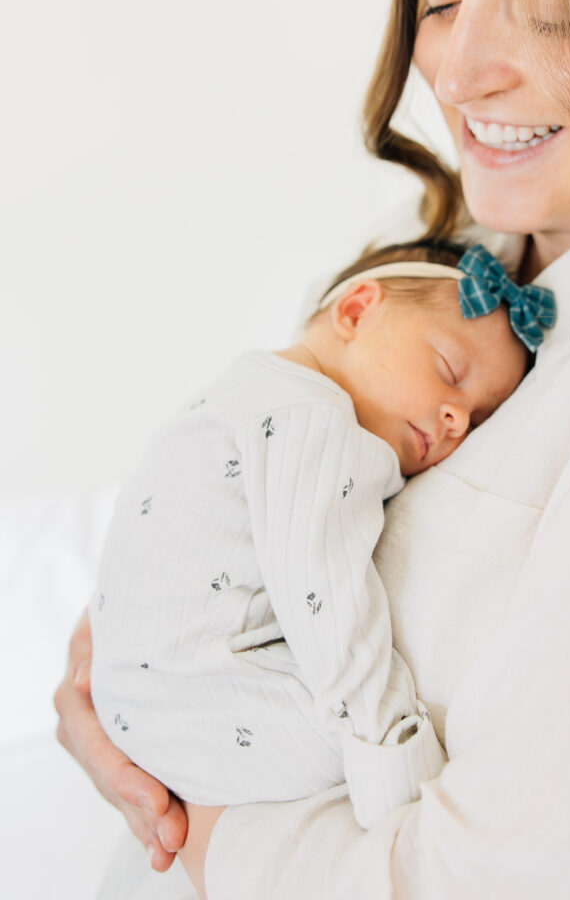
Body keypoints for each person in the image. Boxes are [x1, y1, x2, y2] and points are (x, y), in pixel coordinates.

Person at [54, 0, 570, 896]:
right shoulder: (431, 275)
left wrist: (196, 819)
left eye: (545, 5)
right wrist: (113, 674)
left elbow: (504, 879)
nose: (458, 72)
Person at [89, 237, 539, 855]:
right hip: (204, 694)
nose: (458, 417)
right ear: (356, 311)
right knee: (483, 739)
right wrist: (394, 757)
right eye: (449, 370)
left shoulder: (246, 388)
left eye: (480, 416)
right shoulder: (311, 416)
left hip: (141, 702)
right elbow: (325, 597)